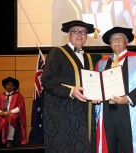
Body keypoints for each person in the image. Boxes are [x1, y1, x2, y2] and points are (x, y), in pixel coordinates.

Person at [95, 27, 136, 153]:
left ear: (126, 42)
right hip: (107, 113)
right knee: (109, 147)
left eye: (120, 38)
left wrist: (128, 98)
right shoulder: (101, 63)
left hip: (131, 111)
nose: (116, 41)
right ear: (109, 43)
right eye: (113, 39)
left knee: (131, 148)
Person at [41, 20, 97, 153]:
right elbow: (46, 80)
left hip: (84, 114)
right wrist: (71, 91)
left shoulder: (89, 58)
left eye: (83, 32)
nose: (80, 34)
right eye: (75, 31)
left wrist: (96, 95)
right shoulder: (57, 52)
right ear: (69, 35)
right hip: (62, 114)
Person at [0, 77, 27, 148]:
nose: (10, 86)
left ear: (14, 87)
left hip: (12, 114)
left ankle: (9, 140)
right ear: (5, 86)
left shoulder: (18, 95)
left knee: (11, 117)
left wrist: (10, 112)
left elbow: (20, 107)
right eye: (8, 84)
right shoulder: (0, 96)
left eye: (12, 85)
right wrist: (0, 112)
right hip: (2, 113)